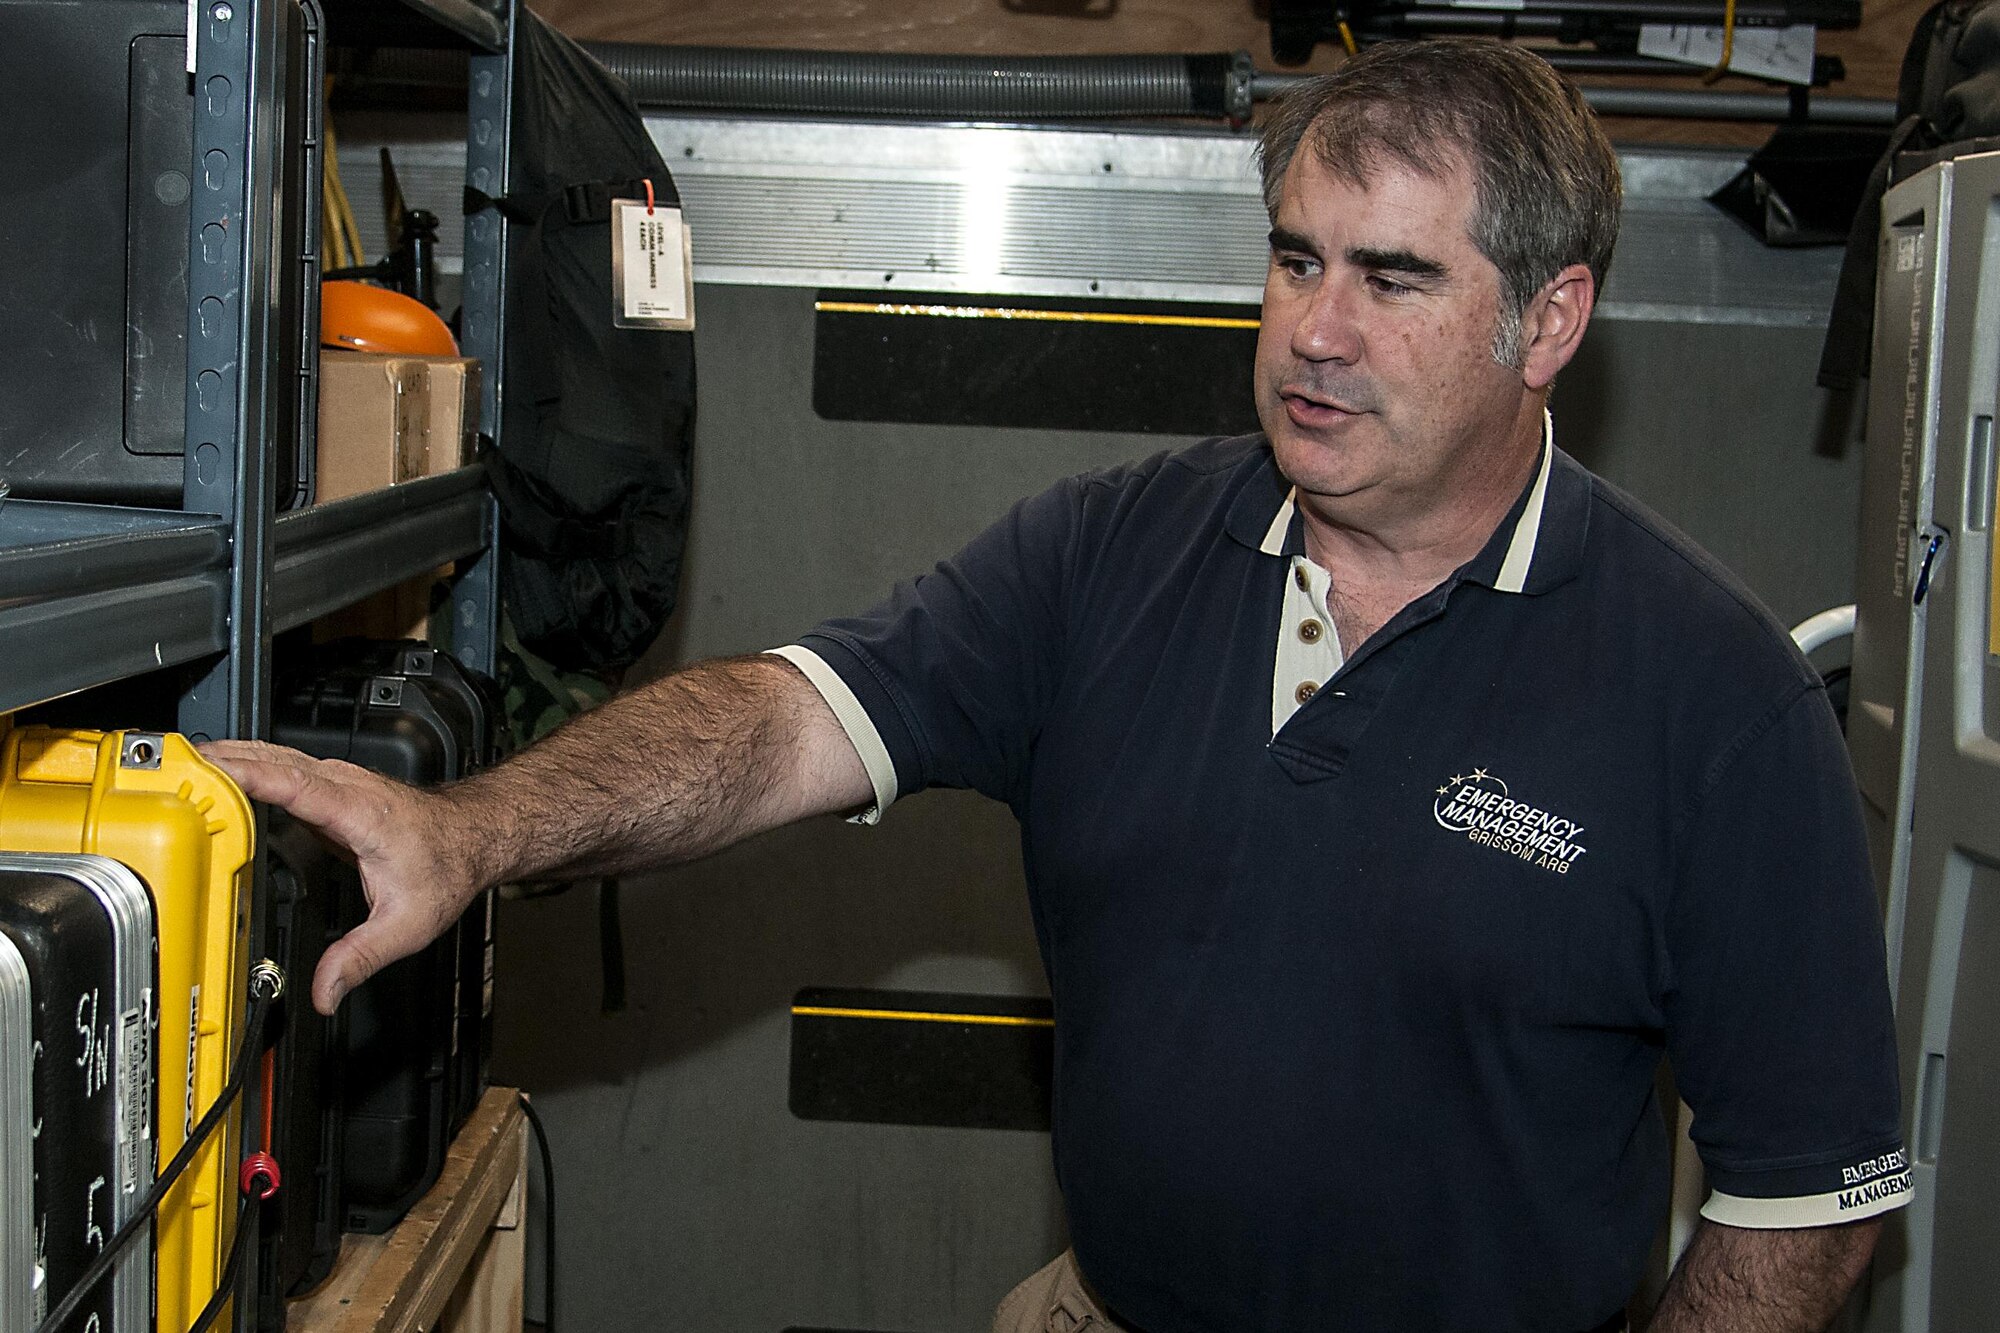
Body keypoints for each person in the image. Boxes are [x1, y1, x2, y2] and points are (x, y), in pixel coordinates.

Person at [208, 38, 1911, 1333]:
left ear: (1548, 323)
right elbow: (784, 719)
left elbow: (1812, 1202)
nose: (1315, 329)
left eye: (1393, 280)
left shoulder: (1710, 696)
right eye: (1297, 257)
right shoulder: (1110, 555)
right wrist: (476, 829)